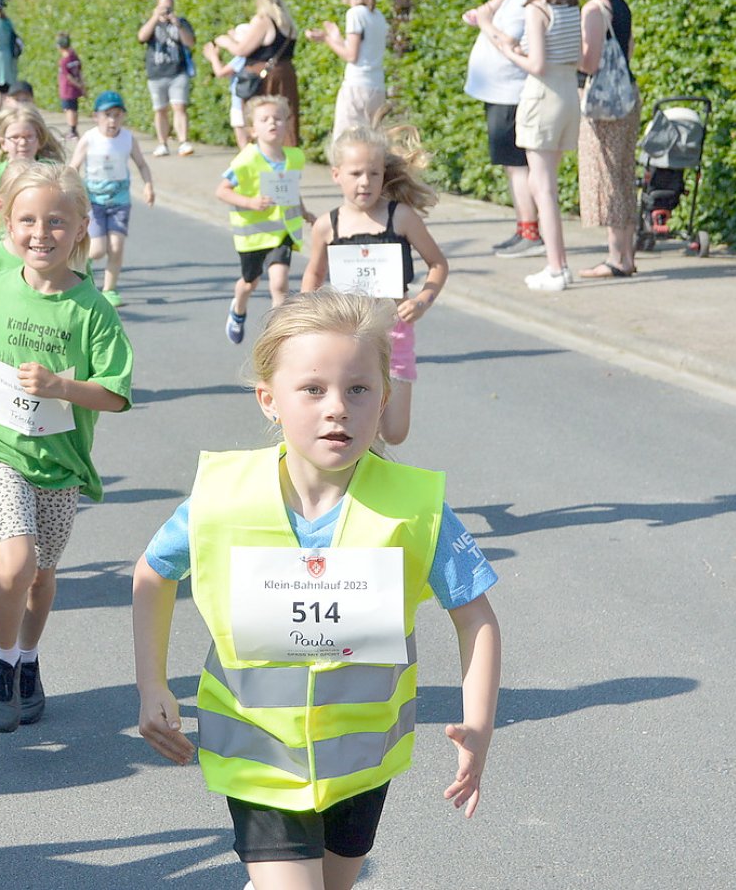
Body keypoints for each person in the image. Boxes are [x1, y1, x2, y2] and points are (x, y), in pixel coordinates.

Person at [132, 290, 501, 890]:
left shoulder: (414, 506)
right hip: (257, 750)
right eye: (313, 389)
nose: (338, 408)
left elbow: (476, 618)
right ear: (268, 400)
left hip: (360, 762)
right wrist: (152, 684)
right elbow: (152, 574)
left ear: (383, 400)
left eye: (358, 390)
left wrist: (479, 727)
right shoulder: (224, 497)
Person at [0, 162, 134, 732]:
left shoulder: (93, 309)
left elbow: (115, 394)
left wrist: (62, 388)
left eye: (56, 221)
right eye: (28, 219)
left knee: (43, 576)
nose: (40, 232)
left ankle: (28, 659)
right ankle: (1, 665)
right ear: (7, 220)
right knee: (17, 562)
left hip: (60, 462)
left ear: (81, 229)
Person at [301, 125, 448, 445]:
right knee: (355, 428)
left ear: (384, 175)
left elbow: (438, 264)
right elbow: (313, 274)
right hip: (348, 338)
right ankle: (361, 486)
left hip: (394, 334)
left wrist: (422, 301)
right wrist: (305, 319)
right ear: (336, 174)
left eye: (374, 173)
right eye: (355, 174)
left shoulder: (402, 218)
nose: (365, 182)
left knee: (394, 433)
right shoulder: (328, 226)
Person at [492, 0, 580, 292]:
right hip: (568, 96)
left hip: (541, 96)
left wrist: (509, 51)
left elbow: (537, 65)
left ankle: (556, 267)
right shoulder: (571, 8)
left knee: (543, 189)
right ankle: (558, 265)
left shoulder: (536, 9)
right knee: (546, 185)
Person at [215, 95, 311, 345]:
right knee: (249, 283)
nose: (273, 123)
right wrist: (250, 203)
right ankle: (238, 309)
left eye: (278, 119)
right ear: (252, 129)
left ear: (287, 124)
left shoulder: (294, 157)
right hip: (254, 235)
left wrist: (304, 211)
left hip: (282, 232)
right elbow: (221, 190)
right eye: (265, 119)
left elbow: (290, 189)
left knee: (280, 283)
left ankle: (278, 335)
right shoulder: (246, 160)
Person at [465, 0, 541, 256]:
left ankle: (531, 232)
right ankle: (523, 227)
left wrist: (484, 22)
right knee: (512, 167)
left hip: (509, 94)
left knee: (517, 165)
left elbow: (507, 40)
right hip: (499, 93)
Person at [572, 0, 640, 280]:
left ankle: (615, 258)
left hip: (602, 100)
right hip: (627, 94)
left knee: (607, 175)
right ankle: (627, 255)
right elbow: (627, 51)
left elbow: (590, 62)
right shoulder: (620, 3)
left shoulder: (593, 9)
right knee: (624, 171)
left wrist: (567, 55)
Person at [68, 92, 156, 307]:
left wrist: (148, 185)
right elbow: (73, 167)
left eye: (117, 115)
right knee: (97, 250)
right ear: (96, 116)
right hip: (94, 202)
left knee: (116, 247)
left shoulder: (127, 139)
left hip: (119, 202)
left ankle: (110, 289)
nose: (112, 121)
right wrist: (71, 191)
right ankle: (79, 263)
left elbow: (142, 164)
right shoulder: (89, 139)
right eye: (107, 115)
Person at [0, 107, 66, 254]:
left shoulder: (53, 173)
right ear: (3, 143)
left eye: (29, 137)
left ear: (39, 141)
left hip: (41, 245)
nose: (22, 142)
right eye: (15, 137)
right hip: (2, 246)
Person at [215, 0, 301, 147]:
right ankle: (287, 152)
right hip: (286, 73)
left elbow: (242, 49)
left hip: (264, 76)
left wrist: (226, 42)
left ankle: (261, 154)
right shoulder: (287, 21)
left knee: (261, 114)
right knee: (285, 116)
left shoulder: (263, 20)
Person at [305, 0, 388, 138]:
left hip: (356, 86)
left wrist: (327, 39)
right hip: (377, 87)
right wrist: (336, 38)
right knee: (372, 142)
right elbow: (363, 50)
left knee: (345, 142)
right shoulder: (377, 15)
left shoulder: (354, 14)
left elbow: (351, 55)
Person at [138, 0, 196, 156]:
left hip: (178, 71)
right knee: (160, 109)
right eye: (163, 7)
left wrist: (177, 24)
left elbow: (190, 43)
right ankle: (162, 143)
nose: (166, 11)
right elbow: (141, 37)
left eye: (169, 7)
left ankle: (183, 142)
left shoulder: (182, 23)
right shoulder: (151, 22)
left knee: (179, 106)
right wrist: (154, 18)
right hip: (156, 73)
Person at [200, 24, 253, 149]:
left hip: (240, 102)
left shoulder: (242, 57)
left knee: (243, 140)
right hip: (243, 101)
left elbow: (220, 72)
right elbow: (229, 72)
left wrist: (213, 57)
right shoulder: (248, 57)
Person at [57, 33, 85, 138]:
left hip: (67, 89)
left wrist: (78, 85)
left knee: (69, 110)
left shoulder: (63, 61)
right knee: (74, 109)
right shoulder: (75, 58)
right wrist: (82, 85)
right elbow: (80, 72)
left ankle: (72, 130)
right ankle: (74, 129)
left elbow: (68, 77)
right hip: (75, 89)